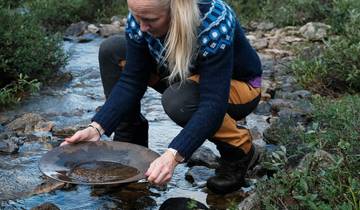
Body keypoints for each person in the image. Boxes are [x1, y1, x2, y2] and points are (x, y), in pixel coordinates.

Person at [61, 0, 262, 194]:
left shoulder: (213, 21)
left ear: (175, 10)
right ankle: (130, 140)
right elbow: (132, 81)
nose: (142, 26)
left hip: (237, 85)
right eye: (137, 16)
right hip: (181, 74)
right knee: (112, 50)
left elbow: (213, 103)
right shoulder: (142, 20)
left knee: (179, 102)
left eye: (150, 19)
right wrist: (97, 128)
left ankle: (239, 148)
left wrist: (173, 155)